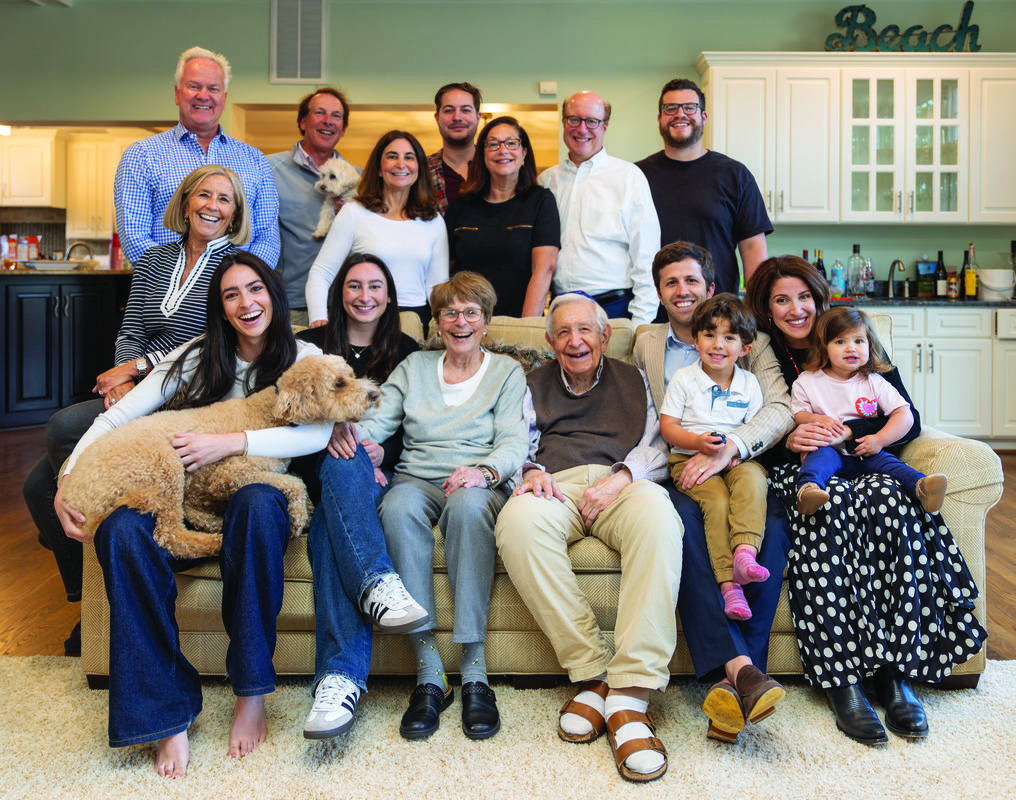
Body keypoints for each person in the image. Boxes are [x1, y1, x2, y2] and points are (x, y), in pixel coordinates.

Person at [52, 253, 336, 778]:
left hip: (255, 497)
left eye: (255, 289)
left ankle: (252, 690)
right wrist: (68, 475)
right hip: (182, 499)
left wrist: (229, 442)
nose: (247, 303)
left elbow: (318, 432)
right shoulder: (197, 354)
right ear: (221, 308)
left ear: (273, 293)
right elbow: (119, 415)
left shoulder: (304, 354)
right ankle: (166, 713)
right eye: (231, 295)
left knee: (257, 500)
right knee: (119, 530)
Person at [744, 255, 987, 746]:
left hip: (868, 458)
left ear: (819, 297)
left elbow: (907, 418)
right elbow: (767, 423)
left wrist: (862, 434)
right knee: (825, 508)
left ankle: (894, 675)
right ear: (767, 311)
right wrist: (793, 436)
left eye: (804, 297)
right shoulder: (765, 356)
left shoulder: (854, 339)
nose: (796, 309)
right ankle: (843, 681)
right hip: (810, 468)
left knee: (888, 500)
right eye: (781, 301)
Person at [21, 163, 251, 655]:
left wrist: (137, 369)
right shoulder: (153, 259)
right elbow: (131, 326)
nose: (213, 205)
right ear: (186, 202)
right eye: (204, 195)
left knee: (64, 428)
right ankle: (88, 601)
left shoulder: (234, 267)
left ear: (234, 214)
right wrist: (118, 384)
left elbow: (207, 338)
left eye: (224, 199)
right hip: (138, 390)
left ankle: (99, 549)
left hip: (188, 393)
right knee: (37, 485)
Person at [494, 291, 682, 783]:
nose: (574, 341)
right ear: (551, 341)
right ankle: (595, 671)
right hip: (556, 481)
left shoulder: (636, 379)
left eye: (585, 330)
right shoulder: (528, 383)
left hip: (622, 480)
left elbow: (656, 445)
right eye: (563, 332)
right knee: (516, 523)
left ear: (604, 336)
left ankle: (631, 693)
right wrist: (530, 472)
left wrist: (621, 477)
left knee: (662, 521)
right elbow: (514, 444)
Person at [349, 272, 527, 741]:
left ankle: (474, 672)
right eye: (450, 312)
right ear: (437, 321)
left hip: (478, 481)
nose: (461, 321)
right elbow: (376, 422)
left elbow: (513, 443)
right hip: (417, 476)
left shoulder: (507, 371)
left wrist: (484, 472)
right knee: (397, 506)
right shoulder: (413, 368)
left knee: (469, 508)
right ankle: (429, 673)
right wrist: (362, 448)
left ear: (486, 321)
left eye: (472, 312)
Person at [632, 241, 790, 744]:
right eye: (670, 283)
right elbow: (652, 422)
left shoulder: (751, 340)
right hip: (677, 467)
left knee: (771, 528)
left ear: (710, 288)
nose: (682, 291)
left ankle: (735, 682)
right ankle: (744, 673)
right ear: (659, 293)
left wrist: (732, 449)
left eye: (691, 281)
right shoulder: (646, 343)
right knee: (688, 530)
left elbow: (780, 408)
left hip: (742, 459)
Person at [295, 252, 430, 741]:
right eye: (354, 286)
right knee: (341, 454)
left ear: (390, 295)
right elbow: (288, 407)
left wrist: (380, 448)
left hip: (378, 473)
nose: (364, 296)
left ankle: (339, 682)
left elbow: (418, 419)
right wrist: (330, 431)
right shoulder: (309, 345)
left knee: (336, 514)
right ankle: (376, 583)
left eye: (375, 286)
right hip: (314, 467)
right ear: (339, 293)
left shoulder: (409, 350)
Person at [113, 46, 279, 267]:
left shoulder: (256, 161)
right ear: (177, 93)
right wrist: (185, 281)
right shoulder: (141, 156)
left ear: (224, 97)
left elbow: (267, 239)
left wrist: (236, 280)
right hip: (166, 292)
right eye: (194, 86)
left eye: (213, 88)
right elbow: (134, 239)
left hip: (233, 295)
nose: (203, 95)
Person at [658, 294, 769, 621]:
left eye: (729, 337)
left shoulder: (749, 383)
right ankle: (728, 585)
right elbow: (668, 427)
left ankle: (745, 552)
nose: (718, 344)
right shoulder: (685, 380)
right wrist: (697, 442)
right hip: (688, 459)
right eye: (709, 335)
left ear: (745, 348)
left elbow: (754, 427)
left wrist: (735, 453)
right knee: (717, 501)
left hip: (735, 460)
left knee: (754, 480)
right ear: (695, 340)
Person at [791, 306, 948, 516]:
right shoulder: (808, 381)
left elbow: (904, 414)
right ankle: (809, 491)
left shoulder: (874, 382)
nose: (851, 348)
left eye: (858, 341)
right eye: (840, 341)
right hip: (830, 449)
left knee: (892, 464)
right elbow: (799, 414)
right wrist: (815, 418)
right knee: (817, 461)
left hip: (866, 452)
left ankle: (922, 487)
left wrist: (880, 440)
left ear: (869, 345)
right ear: (824, 347)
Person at [637, 78, 771, 294]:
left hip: (718, 313)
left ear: (703, 116)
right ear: (660, 118)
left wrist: (758, 308)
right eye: (671, 108)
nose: (680, 114)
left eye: (690, 107)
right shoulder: (636, 177)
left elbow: (753, 248)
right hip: (654, 313)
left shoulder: (735, 175)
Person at [538, 91, 661, 327]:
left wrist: (640, 324)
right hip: (560, 308)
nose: (582, 129)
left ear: (605, 125)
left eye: (592, 121)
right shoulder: (546, 181)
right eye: (574, 119)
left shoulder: (628, 177)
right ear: (563, 122)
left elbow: (646, 256)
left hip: (615, 309)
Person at [306, 130, 448, 326]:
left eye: (409, 157)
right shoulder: (353, 213)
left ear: (419, 168)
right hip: (362, 319)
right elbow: (321, 273)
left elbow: (437, 287)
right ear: (379, 168)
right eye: (392, 156)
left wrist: (442, 327)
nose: (401, 163)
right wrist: (318, 319)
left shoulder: (433, 220)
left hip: (414, 322)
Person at [445, 116, 560, 317]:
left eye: (511, 143)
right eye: (493, 144)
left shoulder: (540, 201)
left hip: (520, 319)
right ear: (482, 154)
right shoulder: (460, 205)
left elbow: (544, 268)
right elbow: (445, 271)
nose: (503, 150)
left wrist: (524, 328)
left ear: (524, 153)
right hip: (465, 323)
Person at [269, 88, 360, 326]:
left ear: (343, 129)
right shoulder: (269, 170)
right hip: (291, 305)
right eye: (319, 113)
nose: (328, 121)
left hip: (346, 306)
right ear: (302, 121)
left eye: (336, 116)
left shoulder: (359, 179)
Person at [427, 82, 482, 213]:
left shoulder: (496, 165)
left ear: (478, 117)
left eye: (466, 110)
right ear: (437, 117)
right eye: (449, 110)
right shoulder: (421, 170)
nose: (457, 117)